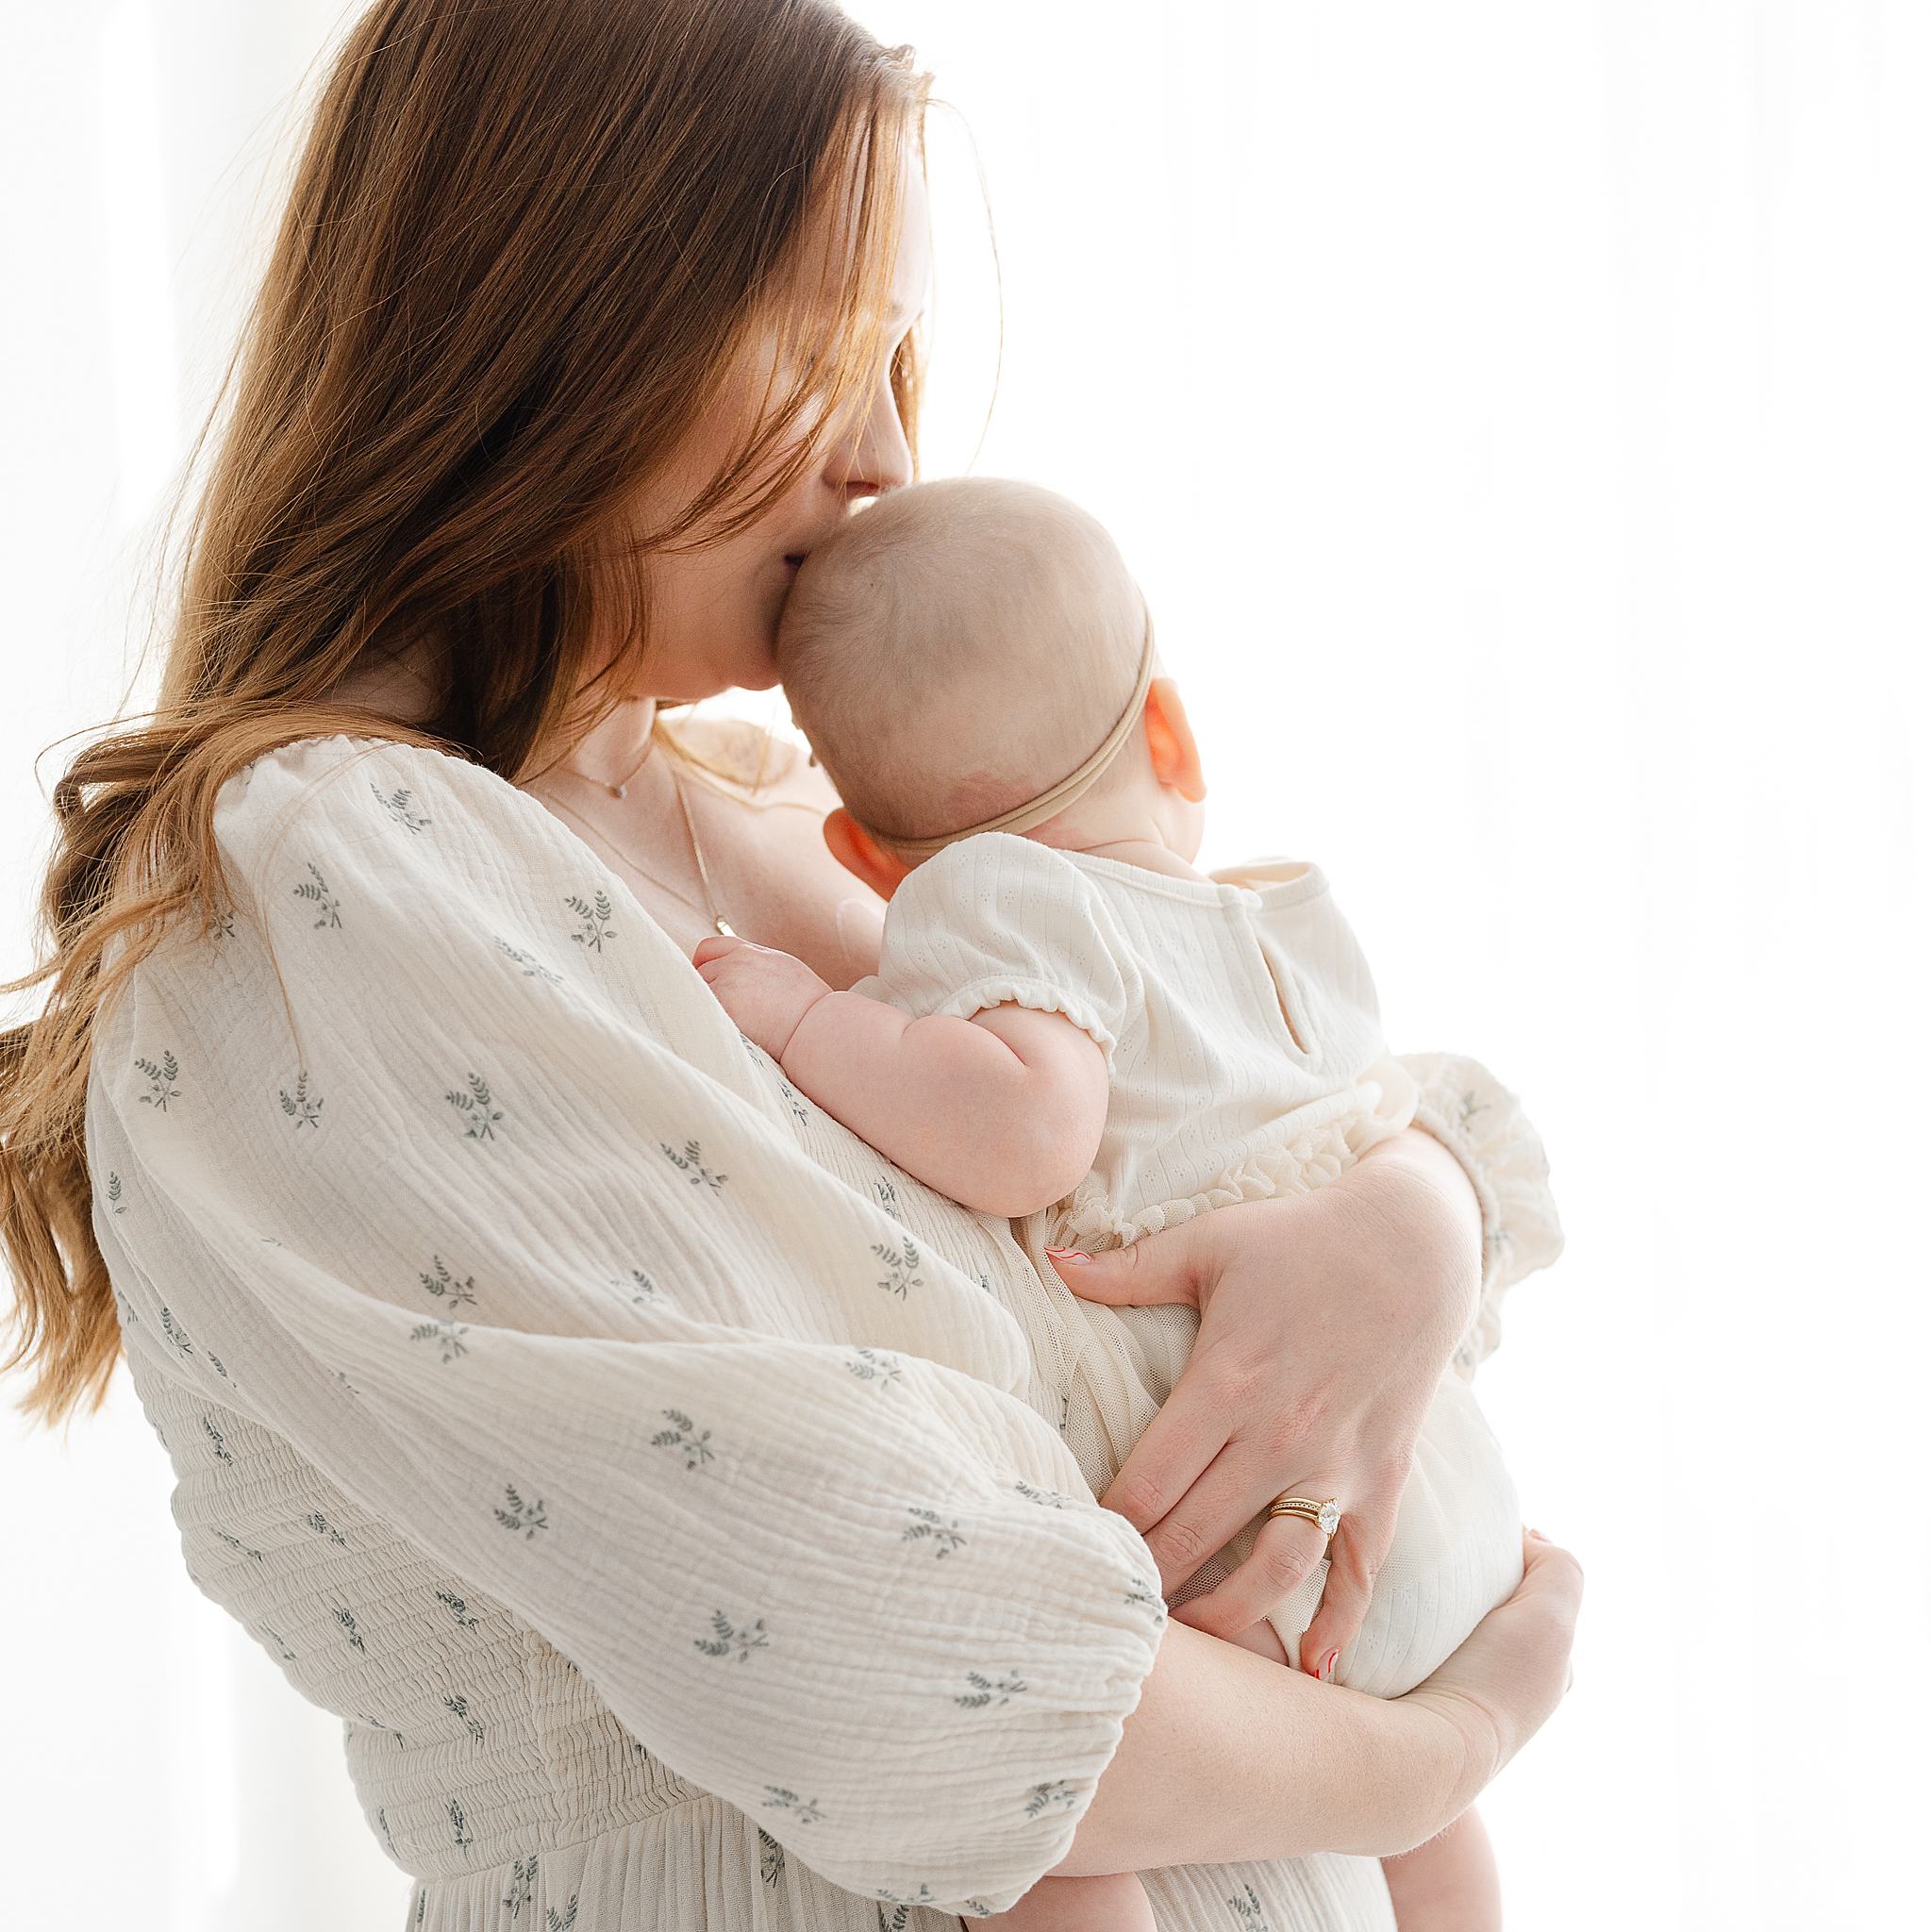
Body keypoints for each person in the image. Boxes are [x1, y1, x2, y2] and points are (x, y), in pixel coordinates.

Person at [0, 4, 1582, 1928]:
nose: (887, 461)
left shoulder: (780, 819)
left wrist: (1408, 1221)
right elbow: (919, 1658)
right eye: (826, 356)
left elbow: (1258, 1063)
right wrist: (1442, 1752)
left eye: (899, 363)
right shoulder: (336, 887)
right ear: (576, 302)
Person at [692, 475, 1544, 1929]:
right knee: (1433, 1816)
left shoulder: (1002, 899)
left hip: (1240, 1523)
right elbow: (1416, 1119)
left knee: (1044, 1801)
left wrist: (802, 1023)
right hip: (1427, 1489)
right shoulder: (1288, 919)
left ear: (864, 854)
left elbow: (1027, 1129)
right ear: (1170, 729)